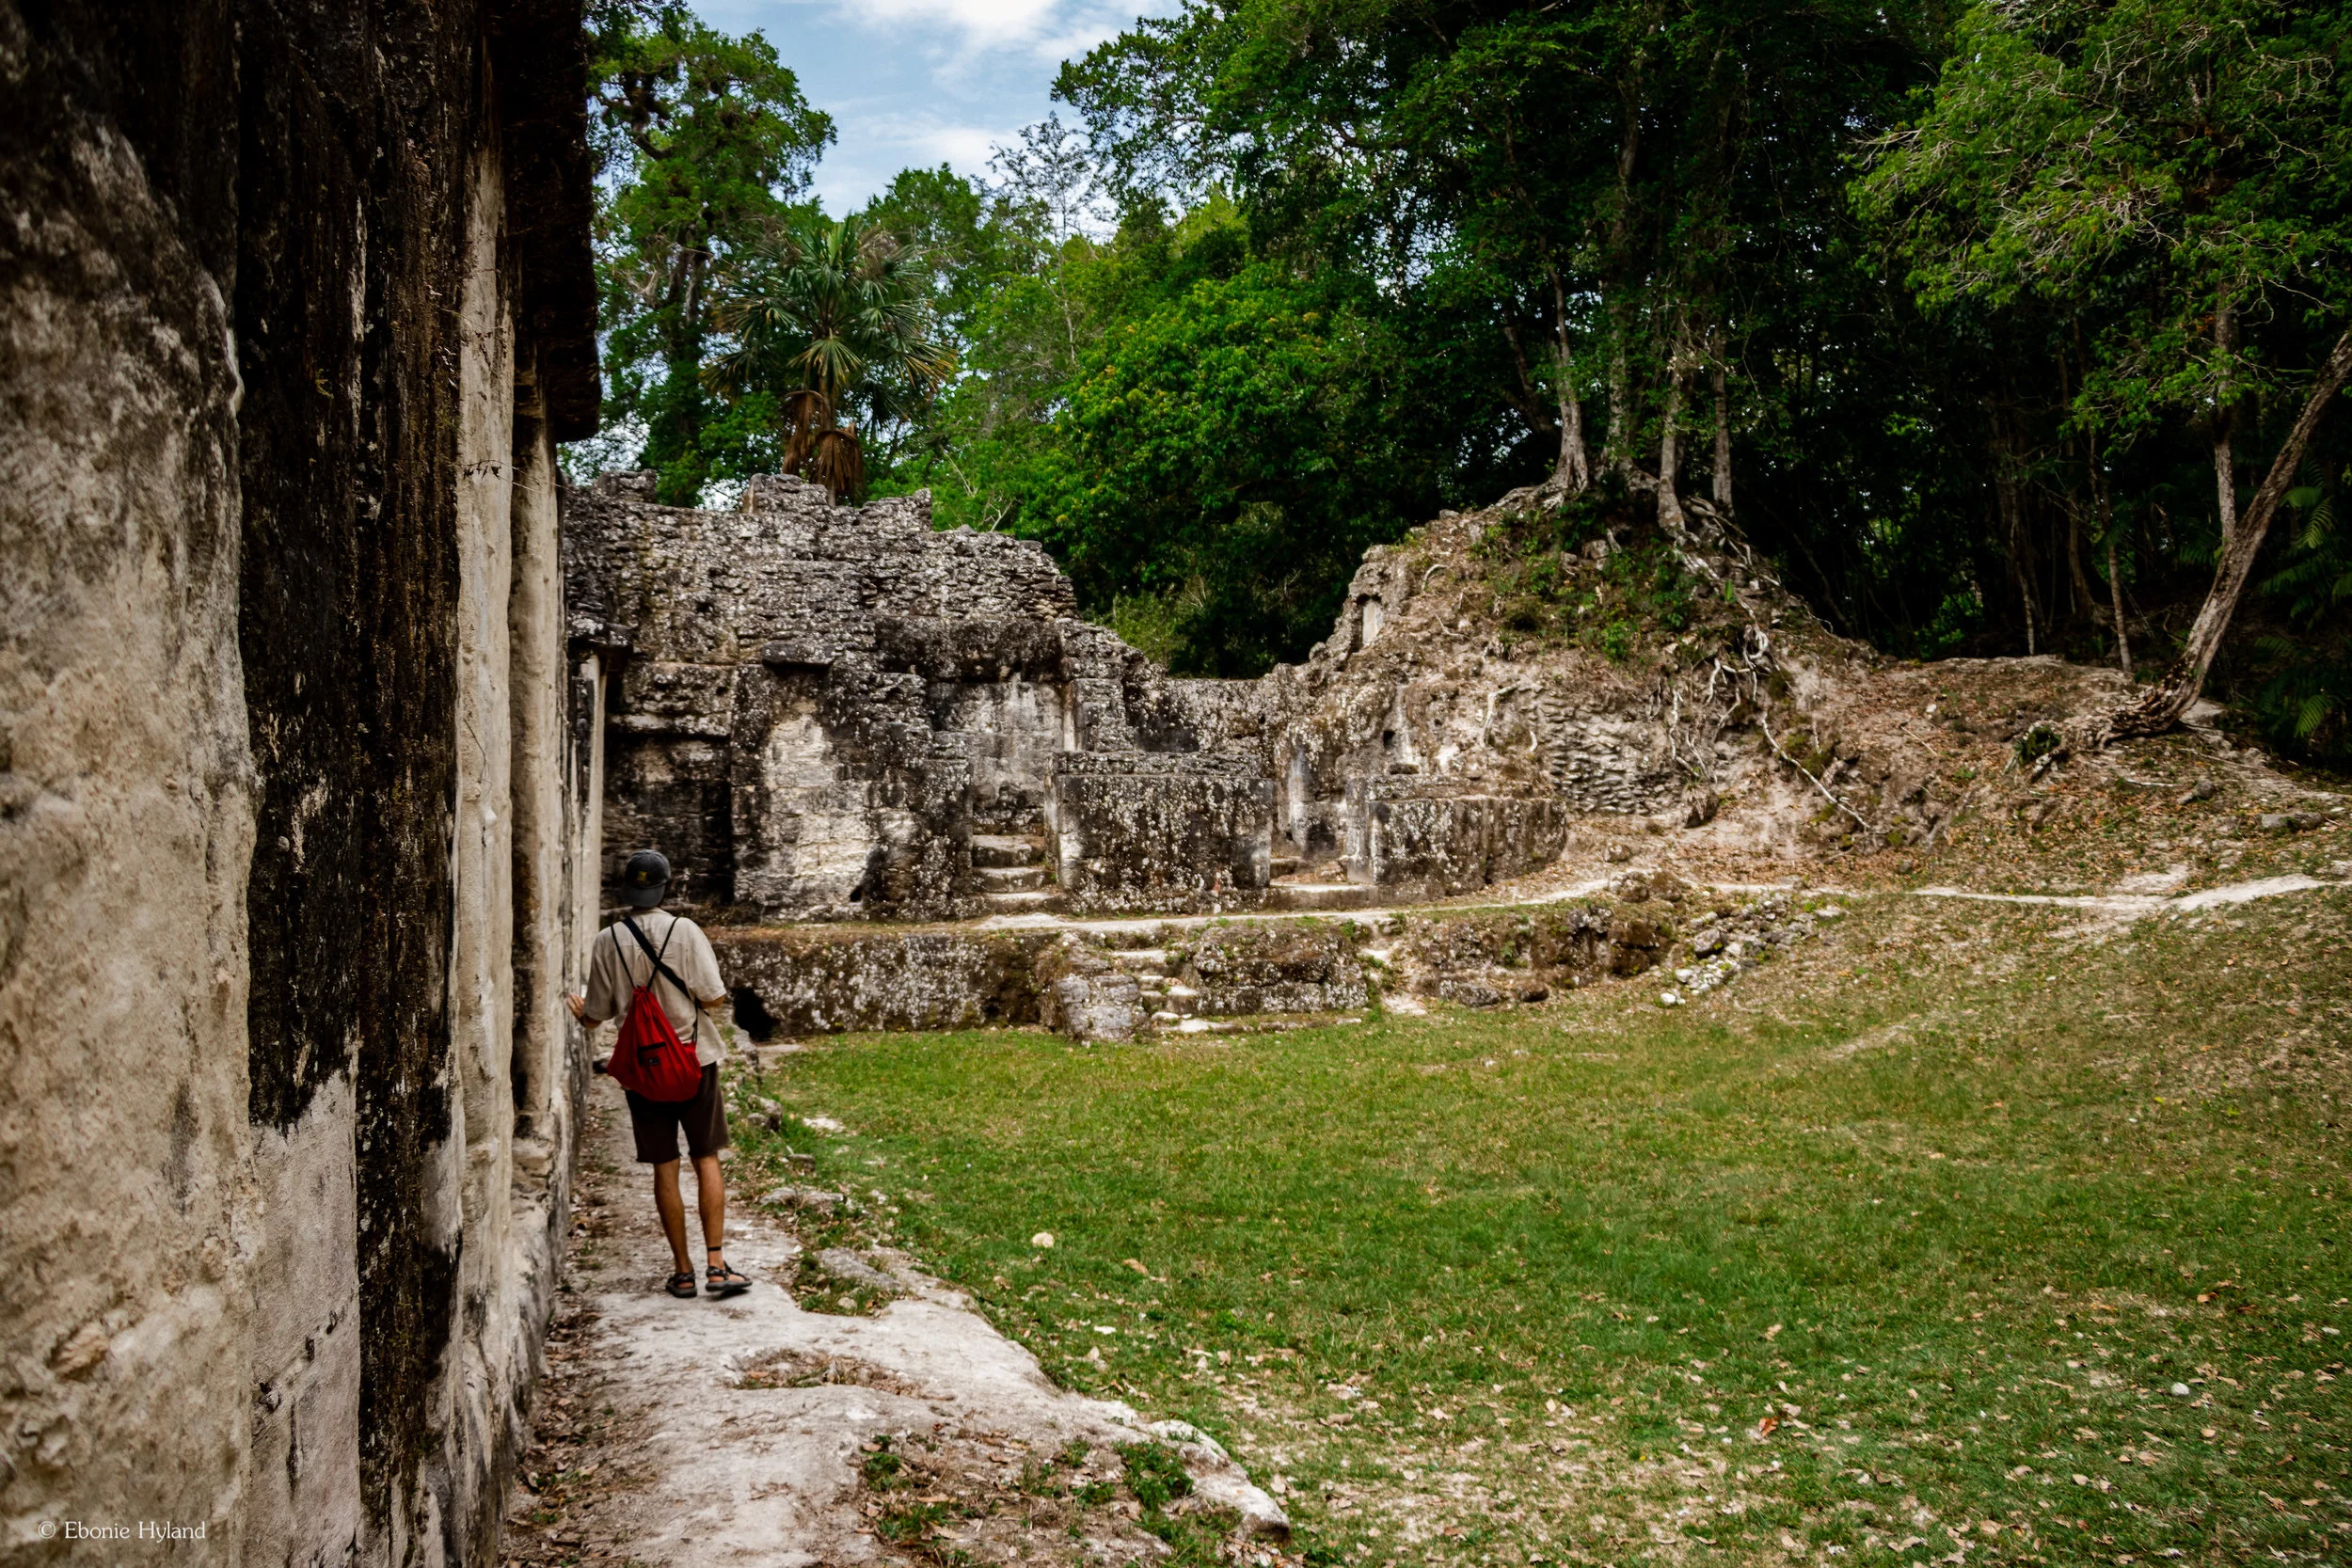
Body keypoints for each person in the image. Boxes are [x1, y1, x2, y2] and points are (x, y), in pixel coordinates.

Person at [566, 849, 751, 1300]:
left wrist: (582, 1016)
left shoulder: (607, 940)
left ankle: (682, 1271)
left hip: (643, 1072)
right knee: (706, 1157)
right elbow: (713, 998)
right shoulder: (684, 932)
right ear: (665, 888)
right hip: (694, 1061)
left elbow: (599, 1014)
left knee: (664, 1167)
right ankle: (715, 1264)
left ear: (628, 891)